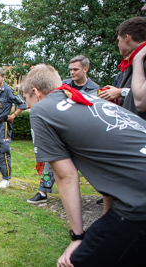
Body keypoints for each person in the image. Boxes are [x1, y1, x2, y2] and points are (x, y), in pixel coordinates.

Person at [22, 64, 146, 267]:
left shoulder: (42, 110)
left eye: (28, 101)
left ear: (36, 93)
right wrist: (105, 224)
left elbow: (66, 176)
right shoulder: (88, 100)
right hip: (134, 189)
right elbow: (110, 165)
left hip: (139, 199)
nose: (29, 108)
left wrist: (77, 237)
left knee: (74, 262)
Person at [27, 55, 100, 204]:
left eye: (76, 69)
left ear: (85, 69)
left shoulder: (94, 89)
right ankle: (43, 192)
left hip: (81, 133)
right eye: (70, 70)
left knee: (94, 164)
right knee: (50, 161)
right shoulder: (63, 85)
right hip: (61, 131)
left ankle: (104, 193)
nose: (72, 72)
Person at [98, 17, 146, 119]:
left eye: (119, 40)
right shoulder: (131, 60)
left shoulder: (141, 59)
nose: (118, 44)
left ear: (127, 38)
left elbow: (142, 100)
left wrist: (121, 92)